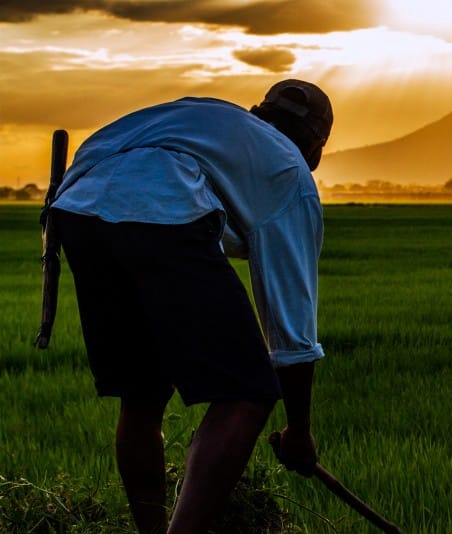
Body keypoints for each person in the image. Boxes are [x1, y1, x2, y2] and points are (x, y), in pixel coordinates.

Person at [49, 79, 333, 533]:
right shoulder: (288, 171)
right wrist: (299, 430)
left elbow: (100, 149)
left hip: (77, 213)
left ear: (259, 112)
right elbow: (292, 337)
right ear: (316, 147)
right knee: (247, 394)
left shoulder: (212, 121)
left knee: (142, 395)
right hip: (163, 213)